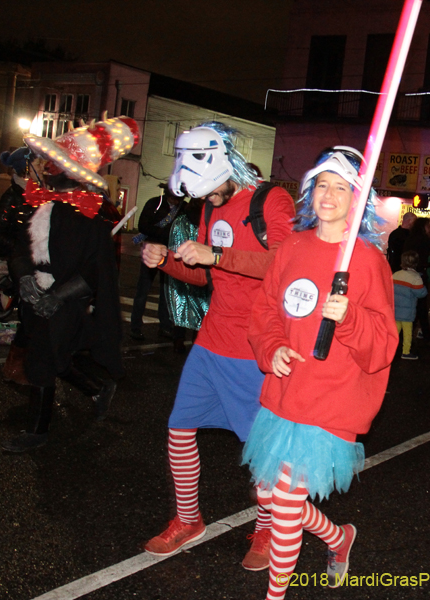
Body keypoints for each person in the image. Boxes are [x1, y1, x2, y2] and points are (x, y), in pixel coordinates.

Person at [242, 146, 397, 599]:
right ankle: (338, 537)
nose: (329, 195)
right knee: (270, 498)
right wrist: (271, 348)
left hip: (332, 398)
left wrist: (348, 317)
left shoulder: (369, 261)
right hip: (286, 391)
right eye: (322, 185)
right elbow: (267, 310)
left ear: (357, 198)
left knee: (286, 504)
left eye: (341, 187)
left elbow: (383, 345)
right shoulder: (292, 246)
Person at [140, 122, 295, 568]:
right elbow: (209, 274)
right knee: (179, 428)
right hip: (211, 342)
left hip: (255, 348)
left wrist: (217, 255)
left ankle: (267, 528)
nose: (205, 202)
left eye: (208, 192)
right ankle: (188, 519)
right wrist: (168, 260)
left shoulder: (269, 200)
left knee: (260, 451)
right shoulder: (209, 209)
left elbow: (285, 266)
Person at [0, 116, 137, 453]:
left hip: (66, 304)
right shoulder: (37, 208)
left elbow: (97, 272)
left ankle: (37, 430)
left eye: (54, 164)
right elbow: (20, 250)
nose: (46, 169)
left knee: (43, 359)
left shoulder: (90, 221)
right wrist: (25, 280)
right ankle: (96, 390)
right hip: (36, 299)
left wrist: (58, 296)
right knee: (57, 360)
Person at [0, 148, 38, 385]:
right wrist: (22, 250)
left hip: (36, 264)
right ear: (25, 169)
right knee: (29, 315)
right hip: (21, 265)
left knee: (33, 316)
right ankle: (14, 366)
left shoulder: (37, 195)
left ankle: (26, 364)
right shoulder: (12, 197)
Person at [129, 185, 180, 340]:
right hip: (152, 250)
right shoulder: (154, 203)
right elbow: (143, 225)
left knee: (166, 292)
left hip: (170, 253)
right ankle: (135, 327)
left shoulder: (183, 209)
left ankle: (165, 326)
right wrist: (163, 234)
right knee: (142, 291)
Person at [164, 194, 210, 353]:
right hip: (201, 270)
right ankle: (196, 343)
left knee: (181, 305)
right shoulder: (208, 222)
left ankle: (178, 340)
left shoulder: (180, 221)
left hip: (182, 270)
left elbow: (174, 246)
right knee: (202, 308)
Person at [404, 217, 430, 341]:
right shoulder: (423, 240)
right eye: (429, 226)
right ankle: (411, 336)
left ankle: (420, 332)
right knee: (421, 305)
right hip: (419, 275)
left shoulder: (410, 238)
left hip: (409, 274)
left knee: (413, 305)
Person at [393, 249, 427, 359]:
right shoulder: (415, 277)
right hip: (408, 312)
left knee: (394, 332)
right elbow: (422, 293)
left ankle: (388, 351)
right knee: (407, 333)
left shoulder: (395, 275)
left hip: (395, 310)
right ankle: (406, 352)